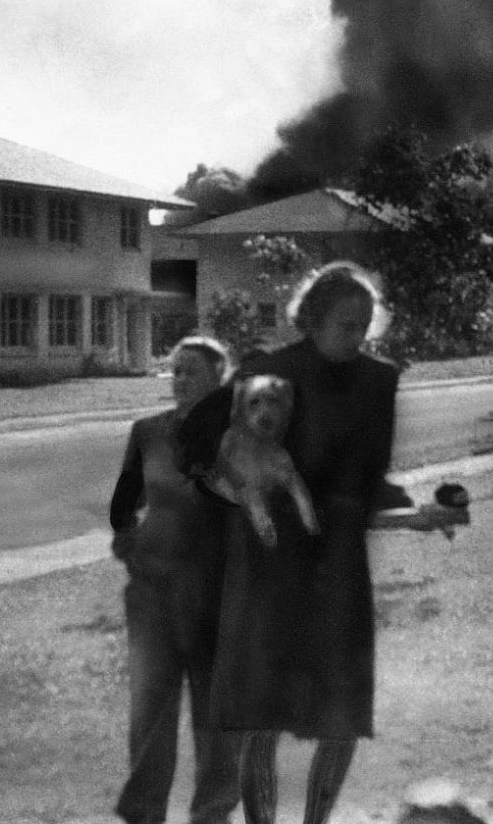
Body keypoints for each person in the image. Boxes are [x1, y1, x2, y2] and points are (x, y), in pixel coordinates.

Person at [177, 261, 411, 824]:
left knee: (341, 712)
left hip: (339, 565)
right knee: (264, 709)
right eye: (345, 322)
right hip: (270, 565)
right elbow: (210, 451)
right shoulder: (268, 372)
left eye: (364, 323)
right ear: (313, 317)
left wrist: (413, 510)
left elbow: (370, 474)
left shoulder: (380, 381)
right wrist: (235, 490)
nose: (356, 334)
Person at [109, 335, 242, 824]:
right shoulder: (148, 433)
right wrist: (131, 552)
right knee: (151, 709)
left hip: (219, 597)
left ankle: (213, 812)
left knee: (219, 716)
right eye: (175, 370)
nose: (179, 379)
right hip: (154, 595)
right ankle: (144, 812)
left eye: (191, 371)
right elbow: (125, 506)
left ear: (219, 378)